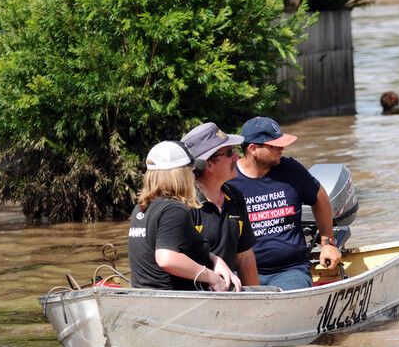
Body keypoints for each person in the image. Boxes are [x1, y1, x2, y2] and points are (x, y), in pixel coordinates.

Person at [227, 116, 342, 291]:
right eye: (275, 146)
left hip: (290, 270)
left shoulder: (291, 170)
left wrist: (327, 243)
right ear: (253, 149)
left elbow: (319, 197)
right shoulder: (228, 179)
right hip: (239, 271)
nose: (282, 148)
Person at [127, 140, 241, 292]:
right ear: (181, 174)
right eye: (190, 170)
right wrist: (212, 278)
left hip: (145, 296)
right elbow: (167, 259)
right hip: (175, 301)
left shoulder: (141, 208)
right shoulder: (174, 210)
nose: (193, 175)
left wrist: (213, 258)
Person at [182, 122, 259, 286]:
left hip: (229, 295)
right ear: (209, 164)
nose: (237, 157)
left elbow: (244, 256)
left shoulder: (235, 197)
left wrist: (256, 301)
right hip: (193, 300)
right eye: (230, 153)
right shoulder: (185, 205)